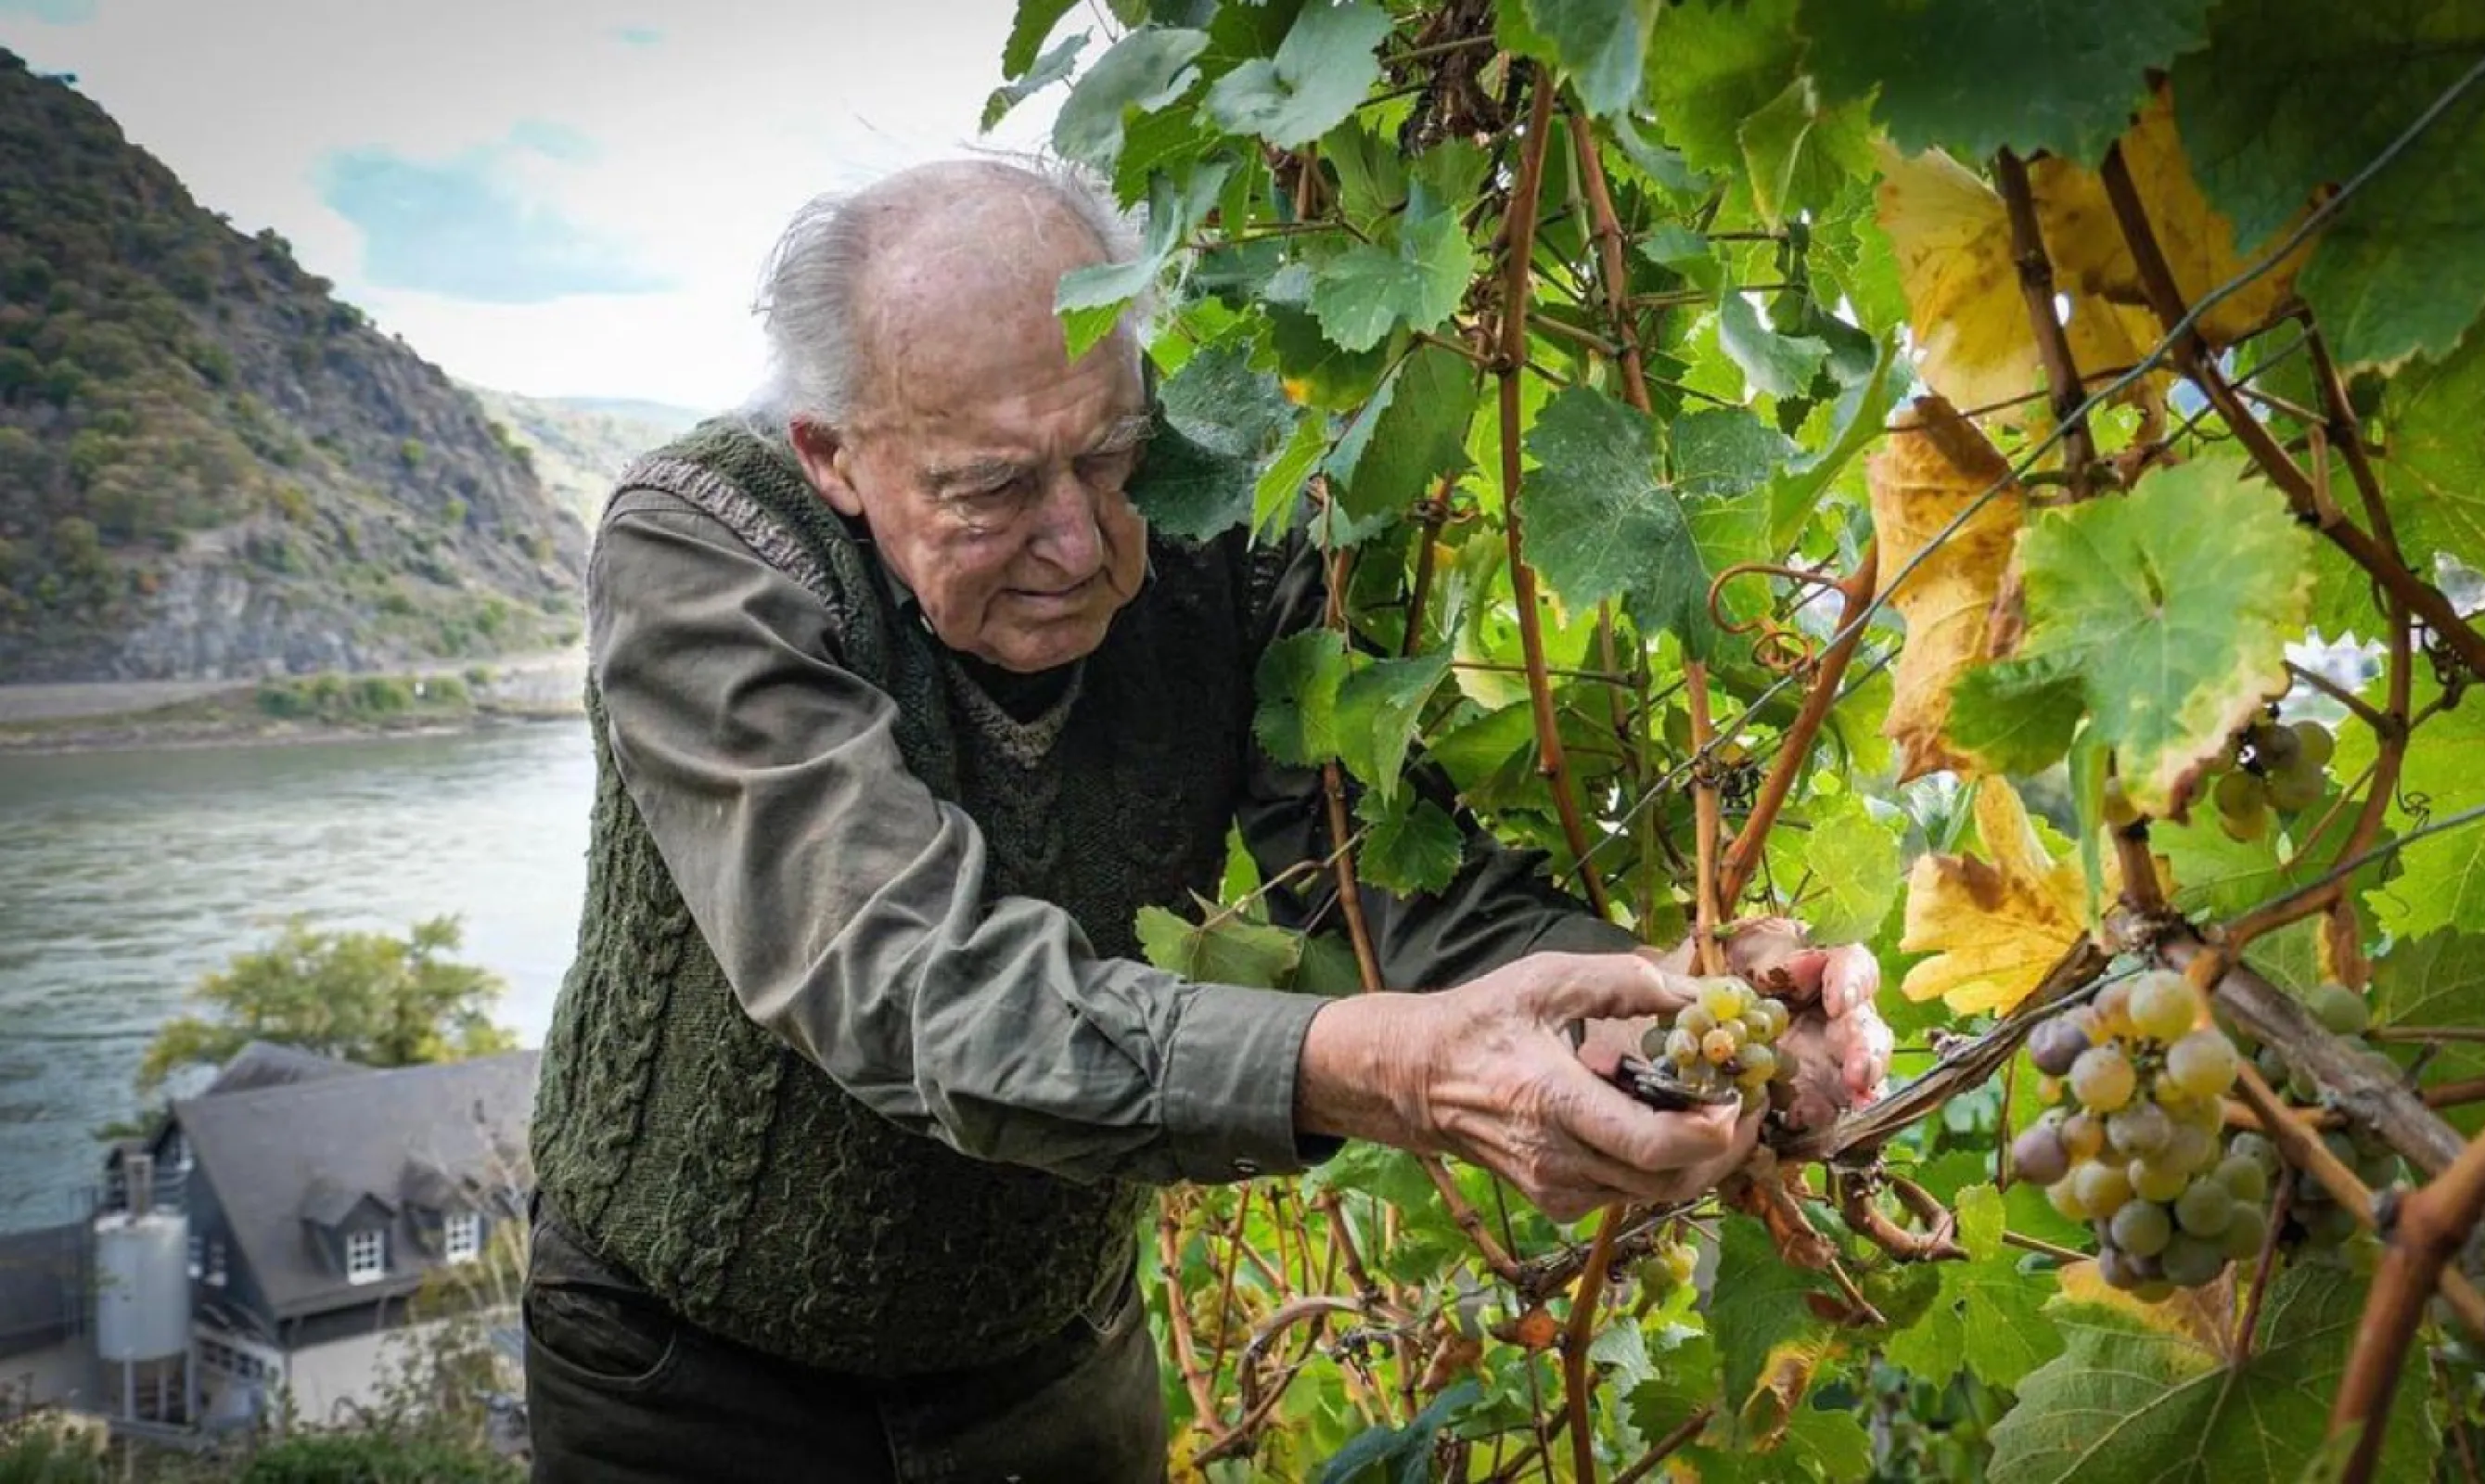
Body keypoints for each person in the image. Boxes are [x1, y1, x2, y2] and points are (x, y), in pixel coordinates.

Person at [521, 158, 1847, 1484]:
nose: (1082, 543)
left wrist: (1662, 1010)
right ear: (833, 455)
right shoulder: (704, 548)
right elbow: (916, 986)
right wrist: (1393, 1068)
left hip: (1050, 1360)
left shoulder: (1222, 512)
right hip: (685, 1382)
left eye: (1109, 455)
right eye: (990, 490)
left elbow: (1373, 876)